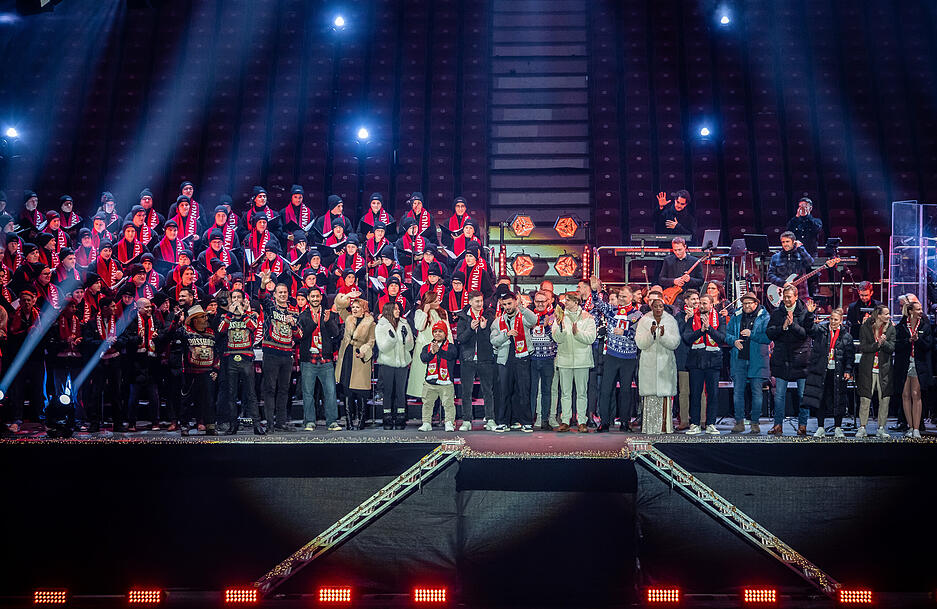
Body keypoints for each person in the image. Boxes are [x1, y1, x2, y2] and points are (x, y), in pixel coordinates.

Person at [765, 285, 815, 436]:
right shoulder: (777, 313)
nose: (786, 299)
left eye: (789, 297)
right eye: (784, 296)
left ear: (795, 297)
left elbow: (804, 334)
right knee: (779, 395)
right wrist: (782, 327)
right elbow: (769, 333)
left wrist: (792, 325)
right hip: (782, 359)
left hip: (800, 358)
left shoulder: (804, 311)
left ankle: (803, 425)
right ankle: (778, 425)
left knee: (802, 395)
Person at [592, 284, 642, 432]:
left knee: (626, 391)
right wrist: (595, 290)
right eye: (620, 296)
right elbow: (598, 303)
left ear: (631, 298)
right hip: (612, 355)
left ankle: (625, 422)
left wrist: (626, 333)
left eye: (624, 296)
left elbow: (640, 337)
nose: (620, 298)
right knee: (606, 390)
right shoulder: (612, 310)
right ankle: (605, 422)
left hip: (629, 357)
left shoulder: (638, 315)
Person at [217, 288, 265, 435]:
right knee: (231, 394)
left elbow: (253, 327)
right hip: (231, 357)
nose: (236, 300)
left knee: (251, 393)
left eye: (239, 297)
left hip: (246, 357)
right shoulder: (225, 316)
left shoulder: (251, 315)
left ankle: (257, 424)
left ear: (244, 300)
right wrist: (231, 314)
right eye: (234, 297)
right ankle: (233, 425)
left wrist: (242, 313)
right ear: (230, 300)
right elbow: (220, 330)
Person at [802, 307, 855, 438]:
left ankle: (838, 427)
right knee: (821, 399)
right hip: (822, 371)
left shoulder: (846, 336)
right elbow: (809, 327)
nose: (832, 321)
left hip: (838, 372)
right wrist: (809, 314)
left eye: (836, 319)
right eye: (831, 318)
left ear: (841, 321)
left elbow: (849, 356)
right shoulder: (821, 330)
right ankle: (820, 427)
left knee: (839, 400)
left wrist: (848, 370)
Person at [490, 289, 537, 433]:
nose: (507, 307)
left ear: (515, 302)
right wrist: (506, 335)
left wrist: (522, 308)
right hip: (505, 360)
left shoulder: (523, 317)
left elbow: (534, 320)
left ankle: (526, 422)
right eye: (504, 304)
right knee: (504, 392)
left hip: (522, 358)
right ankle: (503, 422)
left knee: (523, 391)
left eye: (510, 303)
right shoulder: (498, 322)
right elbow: (493, 341)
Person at [681, 293, 727, 435]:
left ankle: (711, 423)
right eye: (700, 303)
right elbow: (687, 338)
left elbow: (722, 338)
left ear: (711, 305)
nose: (701, 306)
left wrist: (709, 329)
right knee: (695, 393)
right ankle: (694, 423)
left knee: (712, 394)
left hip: (713, 361)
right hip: (696, 361)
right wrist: (701, 331)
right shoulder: (691, 318)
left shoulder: (719, 318)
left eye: (705, 303)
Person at [551, 292, 597, 433]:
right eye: (565, 300)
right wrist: (561, 329)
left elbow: (591, 338)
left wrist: (577, 333)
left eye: (568, 301)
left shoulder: (587, 317)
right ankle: (565, 420)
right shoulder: (561, 316)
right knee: (565, 392)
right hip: (564, 359)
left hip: (582, 359)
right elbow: (556, 337)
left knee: (582, 392)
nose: (566, 303)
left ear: (576, 302)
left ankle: (582, 421)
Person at [634, 295, 680, 434]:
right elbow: (640, 343)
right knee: (650, 396)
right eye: (656, 306)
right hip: (649, 364)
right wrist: (651, 334)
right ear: (651, 307)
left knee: (664, 396)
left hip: (665, 364)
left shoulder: (670, 321)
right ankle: (650, 428)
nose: (658, 309)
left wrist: (663, 336)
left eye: (661, 306)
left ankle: (665, 427)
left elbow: (675, 343)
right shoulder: (644, 320)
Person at [725, 293, 770, 434]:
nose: (747, 306)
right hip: (739, 360)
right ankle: (739, 422)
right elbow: (726, 334)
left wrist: (752, 334)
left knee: (757, 393)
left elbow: (768, 338)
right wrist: (733, 341)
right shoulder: (736, 316)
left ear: (756, 303)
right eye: (745, 303)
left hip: (757, 360)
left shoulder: (765, 317)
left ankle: (755, 423)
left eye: (750, 303)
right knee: (738, 392)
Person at [259, 283, 301, 431]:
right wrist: (263, 284)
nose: (283, 294)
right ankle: (270, 423)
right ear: (275, 294)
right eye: (280, 292)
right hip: (271, 352)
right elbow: (262, 296)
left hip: (287, 354)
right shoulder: (271, 307)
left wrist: (293, 325)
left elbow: (299, 335)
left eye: (285, 292)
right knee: (270, 389)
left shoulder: (294, 312)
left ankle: (281, 422)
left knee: (284, 389)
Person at [333, 293, 376, 429]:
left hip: (360, 357)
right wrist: (348, 295)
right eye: (353, 306)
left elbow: (371, 341)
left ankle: (362, 421)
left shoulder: (370, 323)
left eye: (358, 307)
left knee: (362, 391)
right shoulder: (349, 318)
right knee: (347, 390)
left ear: (364, 309)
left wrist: (364, 350)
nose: (355, 309)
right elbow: (339, 306)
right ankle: (349, 422)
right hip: (347, 356)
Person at [455, 291, 496, 431]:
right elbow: (460, 339)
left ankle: (490, 419)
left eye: (481, 301)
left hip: (485, 358)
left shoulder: (489, 315)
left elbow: (492, 339)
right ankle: (466, 420)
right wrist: (471, 329)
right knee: (466, 391)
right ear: (470, 302)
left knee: (488, 391)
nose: (480, 304)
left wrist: (484, 329)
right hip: (468, 359)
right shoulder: (462, 317)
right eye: (477, 301)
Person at [894, 299, 933, 439]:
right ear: (910, 311)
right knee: (905, 395)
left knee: (916, 394)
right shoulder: (901, 327)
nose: (920, 311)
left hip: (918, 364)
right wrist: (908, 341)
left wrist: (918, 340)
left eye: (921, 309)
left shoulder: (925, 326)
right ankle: (910, 427)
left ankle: (917, 428)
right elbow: (896, 346)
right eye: (917, 309)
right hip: (904, 364)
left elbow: (929, 346)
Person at [855, 304, 895, 439]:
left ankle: (881, 427)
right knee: (865, 398)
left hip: (884, 369)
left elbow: (891, 348)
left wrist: (883, 343)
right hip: (868, 368)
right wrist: (877, 344)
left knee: (884, 399)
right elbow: (864, 347)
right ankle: (862, 427)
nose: (888, 316)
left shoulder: (890, 329)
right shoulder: (865, 327)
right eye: (886, 313)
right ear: (879, 315)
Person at [374, 301, 414, 430]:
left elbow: (410, 346)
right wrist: (392, 339)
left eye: (398, 309)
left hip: (402, 363)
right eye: (395, 309)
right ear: (389, 310)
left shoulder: (404, 324)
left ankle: (401, 415)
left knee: (401, 391)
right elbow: (383, 347)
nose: (398, 311)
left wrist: (405, 338)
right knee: (388, 391)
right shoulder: (381, 325)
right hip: (387, 363)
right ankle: (387, 416)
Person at [407, 291, 451, 399]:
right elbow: (419, 326)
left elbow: (447, 329)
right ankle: (421, 394)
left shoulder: (442, 312)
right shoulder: (419, 312)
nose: (438, 303)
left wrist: (450, 344)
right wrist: (425, 312)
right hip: (424, 346)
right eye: (435, 301)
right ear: (428, 302)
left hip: (440, 346)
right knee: (423, 373)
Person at [418, 320, 458, 431]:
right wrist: (432, 352)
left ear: (445, 333)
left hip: (446, 382)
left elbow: (452, 356)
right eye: (435, 331)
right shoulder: (427, 347)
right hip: (430, 383)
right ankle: (426, 423)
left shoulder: (451, 346)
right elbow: (424, 358)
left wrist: (438, 351)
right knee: (427, 404)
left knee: (449, 404)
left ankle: (449, 422)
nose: (437, 333)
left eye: (440, 331)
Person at [529, 290, 557, 431]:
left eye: (543, 301)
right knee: (531, 390)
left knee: (546, 390)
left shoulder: (553, 317)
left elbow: (557, 339)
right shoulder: (529, 317)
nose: (540, 304)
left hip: (547, 359)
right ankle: (530, 419)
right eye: (537, 301)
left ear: (548, 302)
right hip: (532, 359)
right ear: (534, 302)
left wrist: (546, 327)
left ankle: (545, 419)